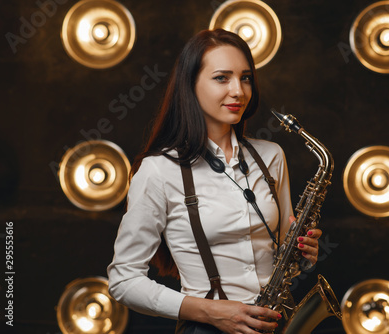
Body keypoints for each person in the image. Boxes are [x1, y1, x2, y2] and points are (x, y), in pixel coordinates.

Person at [107, 28, 322, 334]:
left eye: (245, 77)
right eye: (222, 78)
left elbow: (286, 251)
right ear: (190, 85)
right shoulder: (158, 170)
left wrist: (306, 255)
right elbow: (123, 281)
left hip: (273, 324)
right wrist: (209, 312)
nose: (238, 91)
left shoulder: (271, 156)